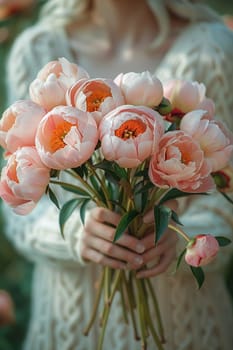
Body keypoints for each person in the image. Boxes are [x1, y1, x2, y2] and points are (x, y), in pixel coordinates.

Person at [2, 0, 233, 349]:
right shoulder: (37, 51)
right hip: (67, 327)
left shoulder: (212, 49)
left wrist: (182, 239)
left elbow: (226, 189)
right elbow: (14, 200)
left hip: (185, 327)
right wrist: (75, 234)